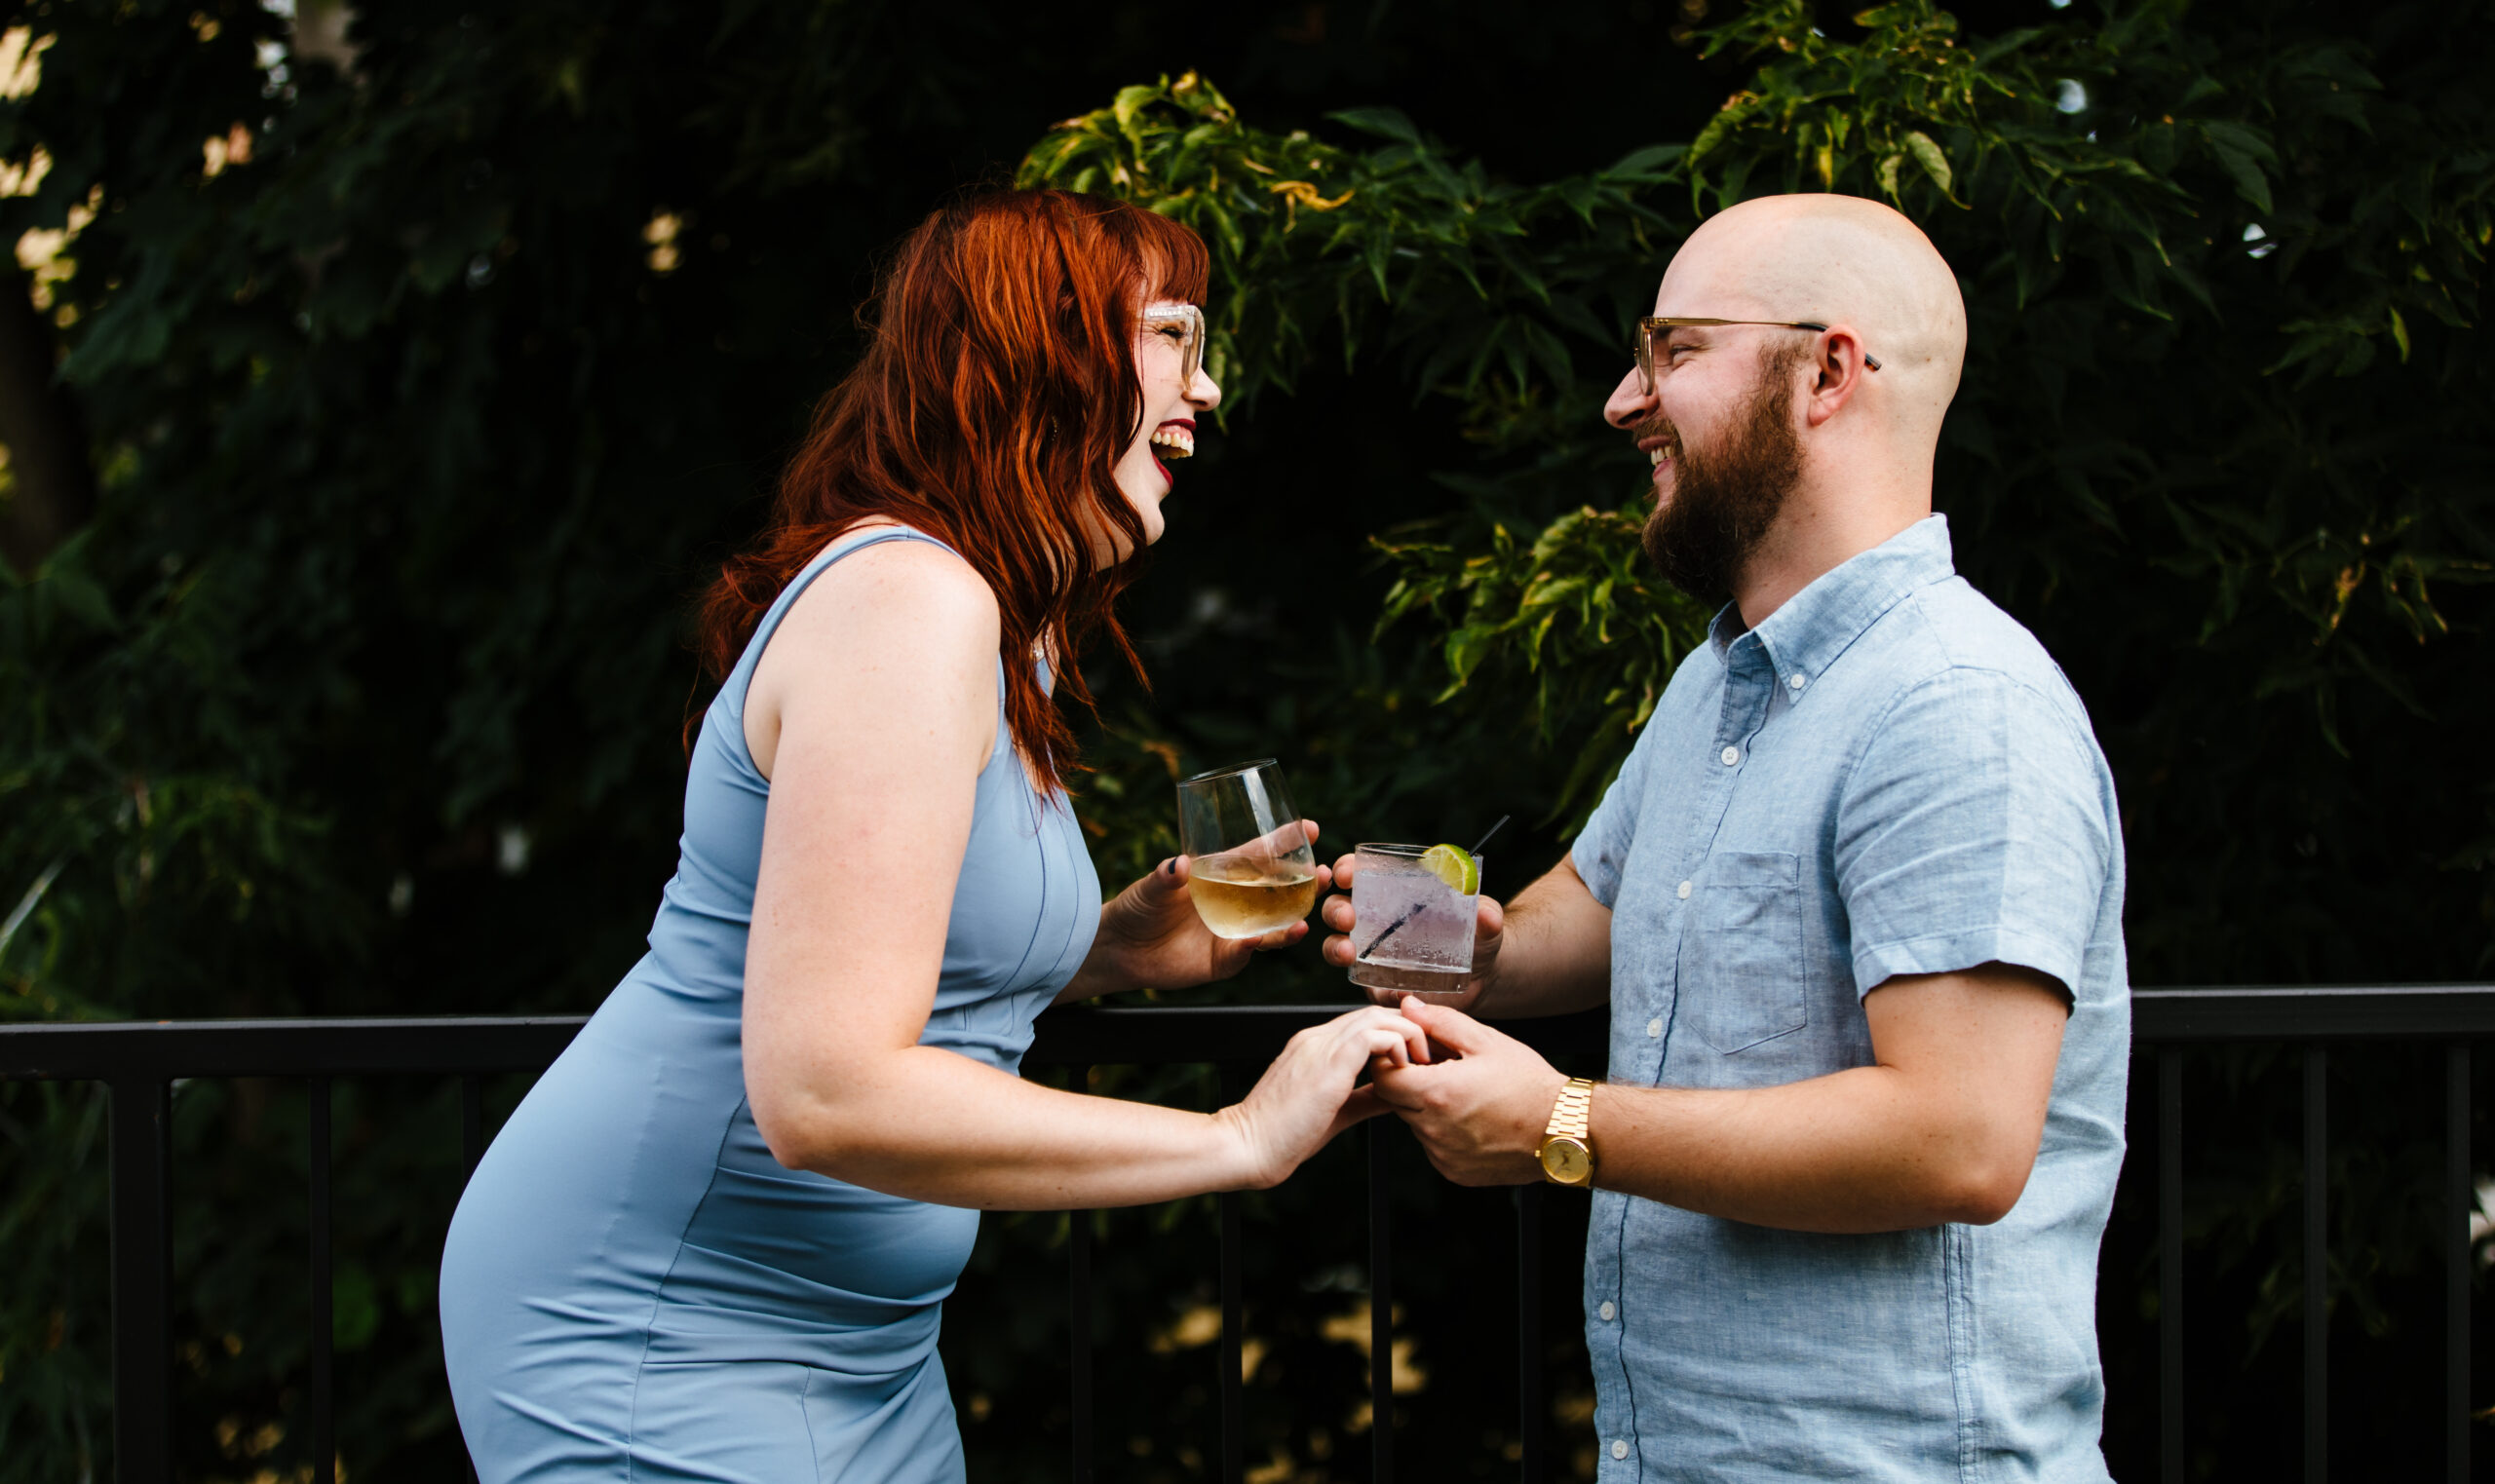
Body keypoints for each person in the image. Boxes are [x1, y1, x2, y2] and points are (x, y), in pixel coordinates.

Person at [440, 188, 1426, 1482]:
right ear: (1047, 352)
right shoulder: (909, 600)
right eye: (1174, 337)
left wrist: (1108, 951)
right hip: (658, 1329)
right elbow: (828, 1088)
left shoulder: (995, 620)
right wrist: (1241, 1138)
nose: (1210, 388)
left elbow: (869, 938)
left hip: (861, 1347)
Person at [1324, 192, 2130, 1481]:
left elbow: (1962, 1139)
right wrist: (1427, 935)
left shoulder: (1959, 703)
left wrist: (1561, 1123)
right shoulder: (1723, 676)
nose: (1622, 402)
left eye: (1674, 351)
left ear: (1827, 372)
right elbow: (1586, 908)